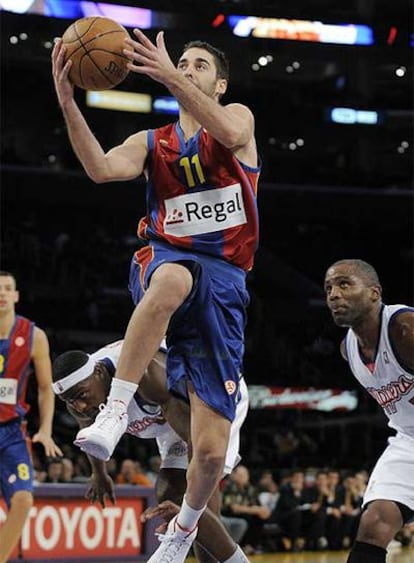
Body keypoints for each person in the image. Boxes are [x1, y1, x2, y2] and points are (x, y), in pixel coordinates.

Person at [52, 25, 260, 561]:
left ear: (220, 85)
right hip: (164, 257)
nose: (187, 69)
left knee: (211, 455)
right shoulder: (152, 142)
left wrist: (168, 74)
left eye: (198, 66)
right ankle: (115, 411)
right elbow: (101, 169)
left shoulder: (237, 120)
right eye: (182, 63)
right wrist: (68, 100)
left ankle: (181, 536)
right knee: (173, 276)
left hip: (226, 283)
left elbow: (232, 137)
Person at [52, 339, 250, 563]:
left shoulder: (148, 374)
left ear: (99, 372)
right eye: (69, 401)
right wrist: (99, 472)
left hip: (211, 400)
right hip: (170, 418)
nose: (78, 406)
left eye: (81, 396)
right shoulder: (80, 394)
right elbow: (87, 430)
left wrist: (194, 497)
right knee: (169, 493)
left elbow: (197, 446)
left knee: (201, 496)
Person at [324, 259, 414, 563]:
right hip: (409, 439)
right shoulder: (347, 350)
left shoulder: (405, 329)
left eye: (344, 284)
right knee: (375, 523)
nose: (334, 294)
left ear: (375, 293)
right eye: (329, 288)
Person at [0, 271, 62, 563]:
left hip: (11, 433)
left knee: (23, 501)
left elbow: (45, 388)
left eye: (7, 288)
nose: (2, 293)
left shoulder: (34, 336)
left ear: (16, 295)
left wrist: (46, 429)